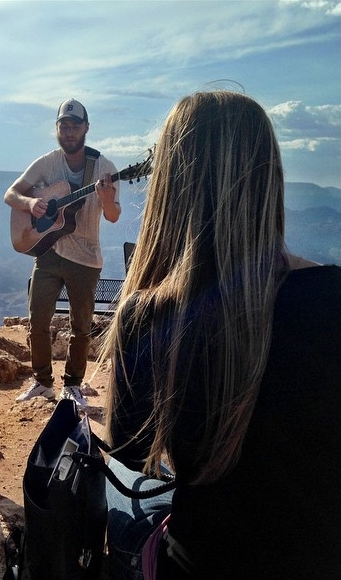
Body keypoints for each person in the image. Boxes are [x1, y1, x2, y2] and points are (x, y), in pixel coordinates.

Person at [101, 90, 340, 579]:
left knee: (115, 489)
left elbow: (129, 449)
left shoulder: (146, 316)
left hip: (200, 561)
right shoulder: (331, 296)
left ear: (170, 187)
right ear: (269, 179)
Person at [4, 98, 121, 408]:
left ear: (86, 128)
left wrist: (107, 199)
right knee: (37, 320)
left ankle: (73, 385)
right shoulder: (47, 163)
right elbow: (10, 194)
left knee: (80, 327)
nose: (69, 132)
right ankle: (42, 382)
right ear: (57, 128)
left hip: (86, 258)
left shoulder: (104, 168)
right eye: (63, 126)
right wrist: (30, 204)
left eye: (75, 126)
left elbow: (113, 215)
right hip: (49, 251)